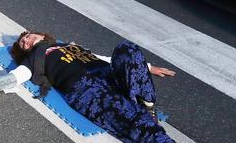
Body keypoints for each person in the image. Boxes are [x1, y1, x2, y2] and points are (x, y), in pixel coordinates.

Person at [11, 31, 176, 143]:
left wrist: (146, 67)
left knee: (127, 48)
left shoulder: (67, 46)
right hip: (86, 88)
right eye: (23, 43)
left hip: (107, 73)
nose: (26, 40)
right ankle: (149, 124)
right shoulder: (34, 58)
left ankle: (146, 105)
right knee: (136, 121)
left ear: (40, 35)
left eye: (28, 36)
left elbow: (101, 58)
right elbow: (21, 73)